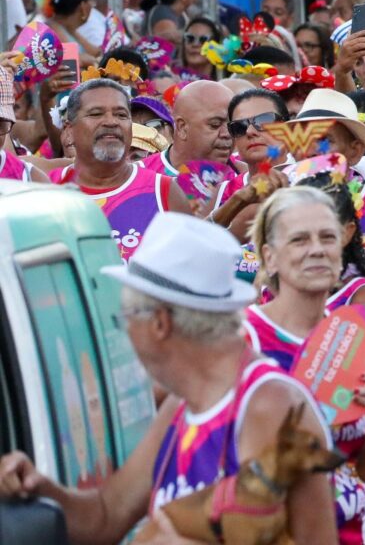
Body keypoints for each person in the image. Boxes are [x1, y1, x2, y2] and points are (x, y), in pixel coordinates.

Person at [0, 213, 337, 539]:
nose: (126, 333)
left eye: (126, 318)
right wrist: (39, 487)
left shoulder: (267, 406)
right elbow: (105, 518)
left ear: (159, 323)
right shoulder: (182, 405)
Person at [246, 185, 365, 542]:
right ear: (270, 257)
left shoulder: (352, 336)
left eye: (327, 237)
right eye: (299, 240)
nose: (317, 249)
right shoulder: (244, 339)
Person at [53, 77, 188, 259]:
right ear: (68, 131)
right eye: (96, 114)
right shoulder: (46, 189)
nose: (111, 122)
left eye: (121, 115)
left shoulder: (164, 191)